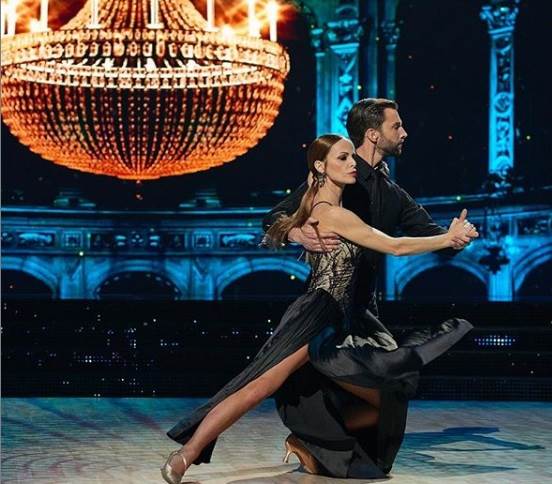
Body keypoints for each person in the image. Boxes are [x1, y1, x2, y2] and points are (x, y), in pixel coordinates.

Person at [161, 133, 477, 483]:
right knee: (258, 385)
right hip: (318, 312)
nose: (352, 163)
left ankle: (311, 444)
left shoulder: (320, 206)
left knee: (369, 385)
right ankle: (186, 454)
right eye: (342, 158)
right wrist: (446, 238)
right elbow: (395, 246)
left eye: (351, 157)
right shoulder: (333, 214)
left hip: (338, 317)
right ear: (320, 166)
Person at [263, 98, 476, 319]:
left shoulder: (394, 195)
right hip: (324, 306)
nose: (404, 133)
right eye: (396, 127)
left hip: (364, 310)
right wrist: (298, 234)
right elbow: (273, 218)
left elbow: (432, 235)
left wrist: (458, 237)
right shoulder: (337, 176)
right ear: (373, 135)